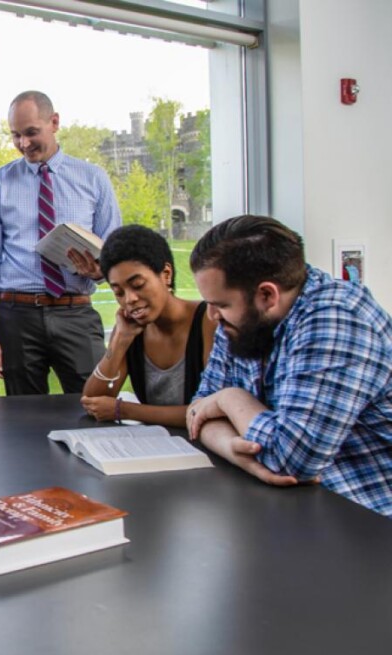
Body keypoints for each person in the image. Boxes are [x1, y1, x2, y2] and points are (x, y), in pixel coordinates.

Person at [186, 215, 392, 517]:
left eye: (221, 304)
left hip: (370, 523)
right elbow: (197, 412)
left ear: (267, 294)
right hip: (297, 510)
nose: (212, 316)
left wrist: (231, 399)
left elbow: (292, 460)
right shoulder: (241, 321)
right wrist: (236, 451)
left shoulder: (336, 318)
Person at [0, 90, 121, 395]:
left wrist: (100, 271)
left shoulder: (93, 179)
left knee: (93, 406)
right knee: (23, 423)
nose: (23, 144)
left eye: (31, 133)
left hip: (76, 313)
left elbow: (115, 252)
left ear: (54, 122)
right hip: (16, 317)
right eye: (15, 135)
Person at [80, 225, 217, 427]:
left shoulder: (208, 320)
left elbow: (210, 411)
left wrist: (125, 410)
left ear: (166, 274)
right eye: (118, 292)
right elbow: (93, 402)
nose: (130, 299)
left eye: (137, 285)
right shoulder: (131, 329)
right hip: (155, 447)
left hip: (207, 448)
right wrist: (119, 342)